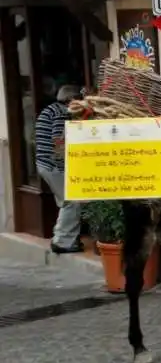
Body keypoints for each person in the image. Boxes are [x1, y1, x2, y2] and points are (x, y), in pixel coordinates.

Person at [35, 84, 84, 254]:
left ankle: (63, 237)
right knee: (72, 200)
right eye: (79, 99)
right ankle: (63, 241)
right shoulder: (62, 112)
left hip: (44, 163)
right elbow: (59, 141)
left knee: (65, 201)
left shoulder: (49, 109)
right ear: (71, 100)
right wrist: (65, 168)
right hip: (53, 165)